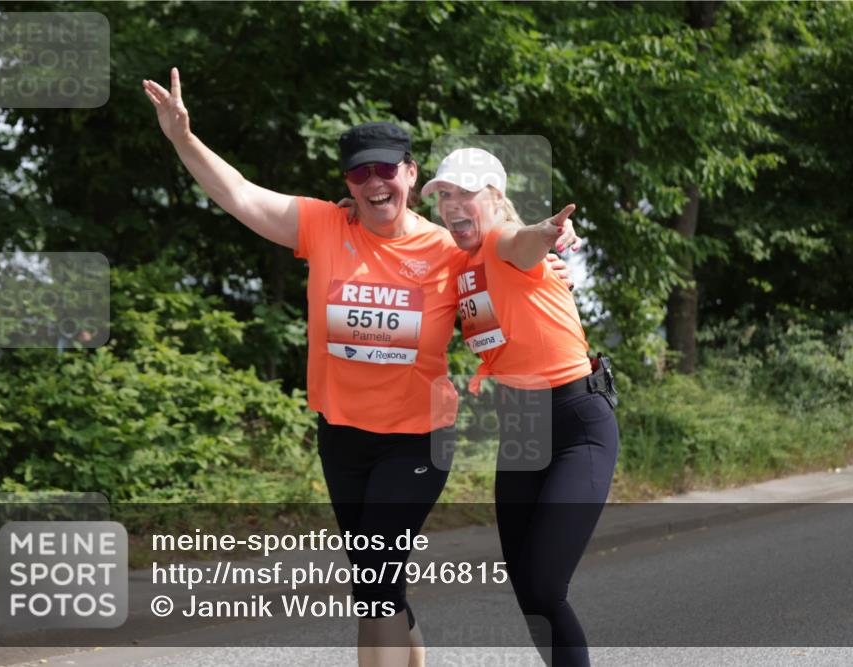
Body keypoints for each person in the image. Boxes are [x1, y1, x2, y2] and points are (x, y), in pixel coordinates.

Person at [141, 69, 577, 667]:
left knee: (372, 587)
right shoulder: (324, 226)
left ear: (410, 175)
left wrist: (552, 246)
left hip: (418, 441)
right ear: (347, 181)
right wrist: (182, 137)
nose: (374, 183)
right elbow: (238, 194)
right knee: (379, 586)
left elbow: (512, 250)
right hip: (341, 436)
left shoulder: (449, 250)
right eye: (359, 172)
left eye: (386, 169)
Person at [422, 148, 620, 667]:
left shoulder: (499, 243)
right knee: (529, 595)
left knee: (545, 583)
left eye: (465, 193)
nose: (452, 204)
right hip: (523, 430)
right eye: (444, 195)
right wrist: (355, 209)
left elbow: (523, 242)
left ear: (494, 197)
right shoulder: (456, 260)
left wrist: (549, 234)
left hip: (578, 424)